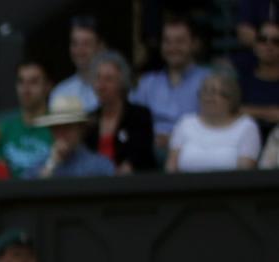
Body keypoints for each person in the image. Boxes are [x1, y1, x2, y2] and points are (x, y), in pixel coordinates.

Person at [132, 14, 207, 154]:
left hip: (192, 151)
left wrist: (174, 139)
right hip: (149, 152)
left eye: (180, 41)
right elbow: (135, 123)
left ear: (194, 44)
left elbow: (213, 126)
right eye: (167, 41)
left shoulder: (207, 81)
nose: (173, 48)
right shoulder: (147, 82)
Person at [167, 71, 260, 173]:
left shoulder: (246, 126)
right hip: (185, 183)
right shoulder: (185, 123)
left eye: (214, 92)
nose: (208, 97)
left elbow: (245, 174)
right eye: (204, 91)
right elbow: (171, 168)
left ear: (231, 98)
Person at [89, 51, 156, 174]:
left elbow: (141, 155)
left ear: (122, 84)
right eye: (98, 78)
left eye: (108, 79)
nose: (101, 86)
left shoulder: (139, 116)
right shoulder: (89, 119)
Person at [33, 89, 116, 179]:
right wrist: (51, 164)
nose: (61, 133)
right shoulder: (38, 166)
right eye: (56, 128)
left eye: (67, 127)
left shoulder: (100, 166)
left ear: (81, 129)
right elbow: (30, 184)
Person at [0, 60, 55, 179]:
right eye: (21, 82)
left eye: (34, 82)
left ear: (48, 87)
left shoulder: (58, 126)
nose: (26, 89)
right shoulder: (3, 128)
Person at [54, 14, 103, 110]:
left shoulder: (115, 90)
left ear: (100, 47)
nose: (79, 50)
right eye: (75, 43)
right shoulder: (61, 92)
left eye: (86, 44)